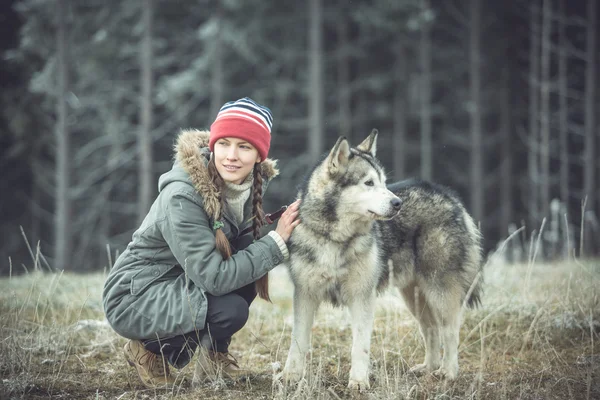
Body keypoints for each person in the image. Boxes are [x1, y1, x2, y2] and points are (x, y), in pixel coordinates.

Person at [102, 97, 301, 388]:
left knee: (247, 252)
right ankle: (147, 349)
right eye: (224, 144)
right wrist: (276, 242)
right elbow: (215, 278)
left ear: (259, 155)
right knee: (230, 310)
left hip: (179, 281)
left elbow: (234, 249)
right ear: (213, 145)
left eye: (244, 146)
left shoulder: (241, 186)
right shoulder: (182, 196)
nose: (231, 155)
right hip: (134, 297)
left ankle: (214, 356)